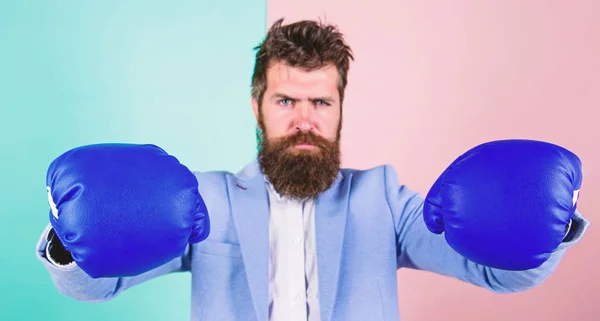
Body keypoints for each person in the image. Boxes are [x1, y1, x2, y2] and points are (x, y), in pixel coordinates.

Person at [36, 18, 589, 321]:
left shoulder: (383, 198)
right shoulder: (204, 201)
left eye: (321, 103)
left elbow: (500, 272)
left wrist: (550, 222)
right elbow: (95, 285)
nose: (304, 121)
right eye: (285, 102)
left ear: (341, 108)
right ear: (257, 107)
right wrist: (70, 238)